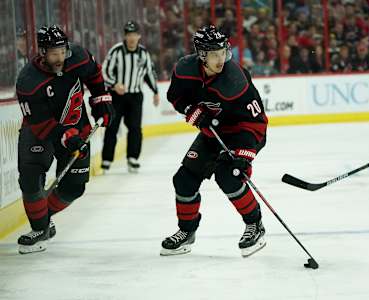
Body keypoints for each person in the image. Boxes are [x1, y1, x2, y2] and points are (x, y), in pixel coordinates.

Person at [161, 25, 268, 257]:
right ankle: (186, 232)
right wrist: (190, 110)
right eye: (214, 54)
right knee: (183, 180)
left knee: (229, 176)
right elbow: (175, 96)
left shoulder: (234, 79)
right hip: (213, 133)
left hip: (243, 132)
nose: (221, 59)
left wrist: (244, 155)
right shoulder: (184, 69)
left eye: (223, 52)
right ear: (201, 55)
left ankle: (255, 224)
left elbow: (257, 122)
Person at [15, 25, 114, 254]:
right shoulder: (28, 81)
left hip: (77, 126)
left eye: (62, 51)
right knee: (30, 177)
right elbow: (41, 124)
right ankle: (40, 229)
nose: (60, 58)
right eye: (53, 53)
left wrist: (101, 100)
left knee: (74, 187)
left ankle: (43, 216)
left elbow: (95, 75)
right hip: (39, 130)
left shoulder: (77, 56)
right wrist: (65, 137)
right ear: (42, 52)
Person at [101, 20, 160, 173]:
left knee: (135, 128)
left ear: (139, 36)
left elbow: (149, 73)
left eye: (134, 34)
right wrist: (114, 84)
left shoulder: (143, 53)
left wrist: (155, 91)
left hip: (135, 96)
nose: (132, 38)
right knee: (112, 127)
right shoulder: (116, 51)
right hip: (117, 96)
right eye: (129, 35)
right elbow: (105, 71)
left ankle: (132, 158)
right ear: (125, 36)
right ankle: (106, 160)